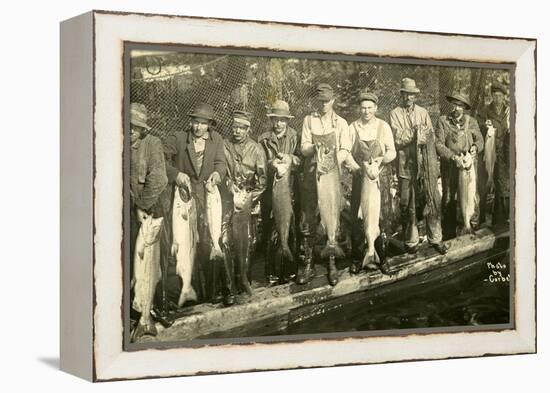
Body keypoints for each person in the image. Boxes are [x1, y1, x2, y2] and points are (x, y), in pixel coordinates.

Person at [165, 103, 230, 305]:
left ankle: (219, 290)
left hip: (209, 197)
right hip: (185, 198)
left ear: (209, 125)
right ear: (190, 121)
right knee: (186, 243)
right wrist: (176, 175)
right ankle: (189, 291)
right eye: (195, 122)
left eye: (203, 123)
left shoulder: (216, 140)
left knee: (211, 242)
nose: (198, 127)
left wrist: (217, 175)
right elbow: (161, 159)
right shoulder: (178, 139)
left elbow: (221, 163)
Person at [299, 83, 354, 286]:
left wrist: (333, 160)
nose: (323, 105)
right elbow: (304, 148)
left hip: (331, 175)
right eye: (320, 101)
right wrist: (314, 148)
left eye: (327, 101)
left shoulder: (341, 123)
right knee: (309, 221)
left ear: (333, 101)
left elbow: (346, 148)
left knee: (332, 215)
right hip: (312, 175)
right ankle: (308, 264)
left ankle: (332, 262)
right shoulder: (308, 120)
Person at [390, 78, 448, 255]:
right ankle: (411, 241)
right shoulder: (395, 113)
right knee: (408, 204)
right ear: (401, 95)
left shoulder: (423, 112)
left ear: (415, 96)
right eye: (406, 94)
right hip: (406, 167)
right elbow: (398, 139)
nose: (409, 98)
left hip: (425, 166)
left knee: (431, 198)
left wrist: (421, 136)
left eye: (412, 95)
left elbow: (429, 136)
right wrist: (415, 133)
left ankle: (436, 238)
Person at [129, 102, 169, 337]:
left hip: (150, 212)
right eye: (129, 126)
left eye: (136, 127)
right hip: (130, 211)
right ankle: (136, 314)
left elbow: (159, 179)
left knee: (153, 266)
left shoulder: (152, 144)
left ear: (143, 129)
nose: (132, 130)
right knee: (133, 267)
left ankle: (152, 312)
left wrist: (141, 206)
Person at [346, 91, 396, 275]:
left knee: (383, 218)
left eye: (369, 108)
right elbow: (346, 153)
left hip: (379, 178)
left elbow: (392, 152)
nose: (366, 111)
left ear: (375, 108)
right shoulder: (353, 128)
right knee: (358, 219)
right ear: (359, 108)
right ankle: (358, 258)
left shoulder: (383, 127)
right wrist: (358, 168)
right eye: (363, 108)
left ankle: (382, 257)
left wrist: (380, 161)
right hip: (361, 178)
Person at [223, 110, 267, 298]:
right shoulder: (224, 145)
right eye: (235, 127)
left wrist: (249, 197)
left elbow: (262, 180)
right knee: (226, 241)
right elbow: (222, 170)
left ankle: (245, 280)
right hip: (228, 198)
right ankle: (228, 286)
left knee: (248, 241)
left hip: (249, 199)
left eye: (242, 128)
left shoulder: (256, 149)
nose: (237, 131)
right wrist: (230, 187)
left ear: (248, 129)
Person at [258, 100, 302, 285]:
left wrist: (290, 159)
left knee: (291, 229)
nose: (279, 124)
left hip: (291, 190)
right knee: (269, 231)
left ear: (287, 121)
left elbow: (302, 160)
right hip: (270, 191)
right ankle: (271, 272)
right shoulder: (263, 139)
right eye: (276, 120)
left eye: (282, 120)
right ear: (271, 120)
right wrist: (271, 164)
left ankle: (290, 271)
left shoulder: (295, 136)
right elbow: (258, 164)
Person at [435, 92, 484, 238]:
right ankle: (449, 234)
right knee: (449, 198)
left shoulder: (471, 122)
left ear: (464, 108)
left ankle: (472, 228)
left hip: (468, 169)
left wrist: (475, 147)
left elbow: (480, 140)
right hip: (450, 168)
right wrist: (453, 157)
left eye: (460, 106)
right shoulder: (443, 121)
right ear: (451, 105)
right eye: (455, 105)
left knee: (472, 197)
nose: (457, 108)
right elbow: (438, 143)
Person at [477, 81, 510, 225]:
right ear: (491, 96)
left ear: (504, 97)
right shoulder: (484, 111)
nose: (497, 99)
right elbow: (477, 129)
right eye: (495, 95)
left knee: (501, 187)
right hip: (488, 155)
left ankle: (498, 221)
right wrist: (485, 126)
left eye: (500, 96)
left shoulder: (509, 111)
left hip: (503, 155)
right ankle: (481, 219)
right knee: (484, 187)